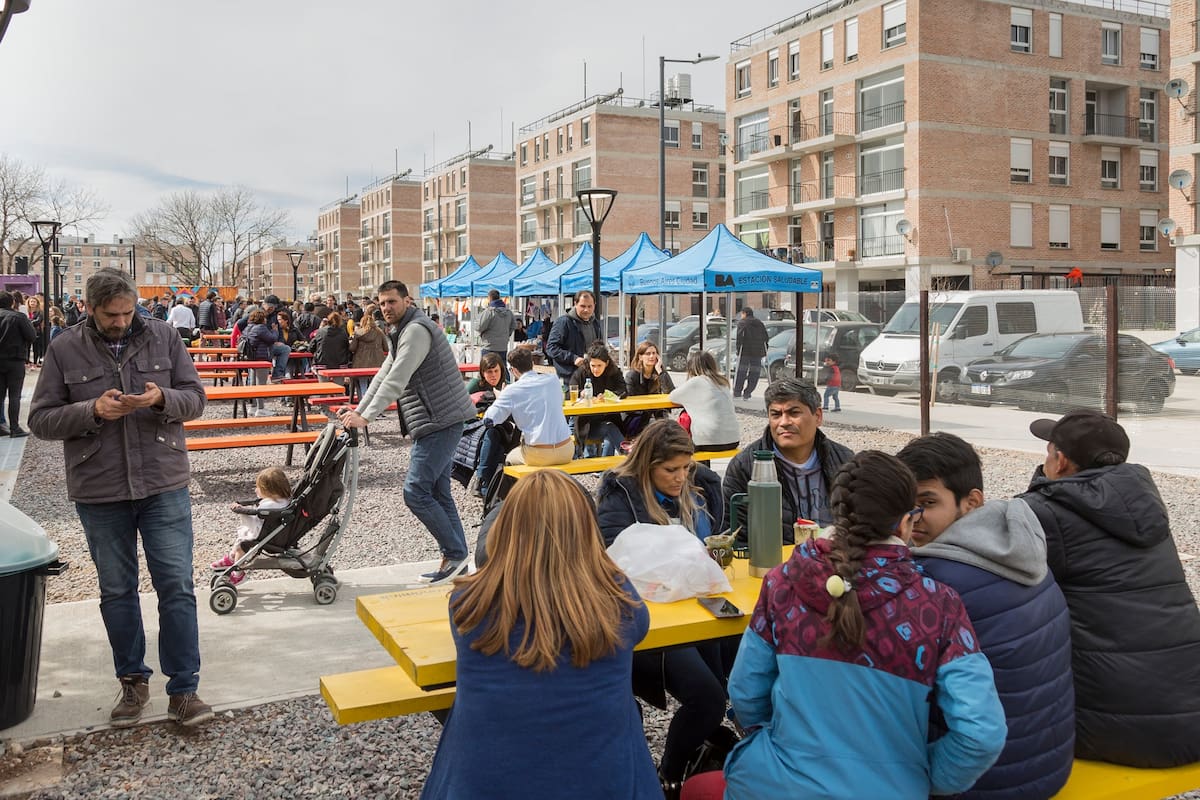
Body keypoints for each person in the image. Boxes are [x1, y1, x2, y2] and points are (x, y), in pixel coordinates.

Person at [687, 451, 1007, 800]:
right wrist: (927, 776)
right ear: (906, 522)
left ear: (835, 513)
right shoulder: (937, 605)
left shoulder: (783, 583)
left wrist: (769, 741)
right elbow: (981, 733)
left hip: (776, 784)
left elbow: (747, 690)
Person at [28, 268, 212, 728]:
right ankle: (132, 682)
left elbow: (195, 398)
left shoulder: (165, 335)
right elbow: (41, 420)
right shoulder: (63, 346)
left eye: (128, 312)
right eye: (112, 315)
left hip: (162, 482)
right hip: (101, 488)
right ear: (90, 309)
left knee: (177, 586)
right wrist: (91, 410)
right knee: (117, 590)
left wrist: (159, 399)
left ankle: (184, 689)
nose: (122, 321)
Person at [422, 470, 660, 799]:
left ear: (505, 528)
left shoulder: (468, 602)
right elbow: (637, 625)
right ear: (586, 529)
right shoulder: (619, 601)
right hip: (604, 783)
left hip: (483, 785)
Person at [897, 432, 1074, 799]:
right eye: (905, 504)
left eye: (927, 502)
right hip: (1047, 764)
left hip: (979, 781)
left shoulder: (936, 580)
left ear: (971, 502)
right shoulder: (1020, 549)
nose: (912, 519)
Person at [1019, 410, 1200, 768]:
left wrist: (1039, 486)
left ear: (1061, 460)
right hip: (1191, 720)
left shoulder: (1045, 512)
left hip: (1112, 734)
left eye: (1048, 452)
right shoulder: (1143, 505)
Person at [595, 419, 731, 795]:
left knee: (720, 687)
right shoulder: (619, 495)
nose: (681, 478)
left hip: (702, 602)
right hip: (651, 616)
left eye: (686, 467)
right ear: (646, 464)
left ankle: (691, 758)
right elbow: (613, 560)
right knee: (709, 697)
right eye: (671, 470)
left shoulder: (703, 486)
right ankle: (668, 775)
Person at [339, 280, 476, 585]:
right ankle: (457, 560)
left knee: (415, 492)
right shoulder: (400, 331)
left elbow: (397, 380)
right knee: (438, 492)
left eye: (392, 302)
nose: (386, 308)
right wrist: (359, 410)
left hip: (440, 419)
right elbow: (383, 375)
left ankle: (455, 554)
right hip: (437, 419)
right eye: (382, 303)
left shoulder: (415, 331)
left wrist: (367, 417)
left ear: (407, 301)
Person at [723, 378, 853, 541]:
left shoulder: (844, 461)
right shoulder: (746, 466)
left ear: (818, 416)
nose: (784, 422)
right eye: (776, 414)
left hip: (836, 560)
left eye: (794, 413)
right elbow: (735, 535)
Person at [482, 347, 573, 469]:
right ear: (532, 364)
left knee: (507, 459)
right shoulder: (553, 380)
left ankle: (514, 488)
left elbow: (489, 420)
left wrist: (500, 398)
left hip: (539, 453)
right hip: (566, 450)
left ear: (513, 370)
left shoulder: (511, 390)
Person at [211, 467, 292, 586]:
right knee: (243, 535)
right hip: (275, 533)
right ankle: (231, 558)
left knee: (242, 545)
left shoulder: (269, 505)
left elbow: (256, 516)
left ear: (269, 490)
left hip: (266, 535)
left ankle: (238, 574)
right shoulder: (284, 500)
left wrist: (240, 510)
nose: (255, 490)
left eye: (258, 488)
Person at [669, 350, 739, 452]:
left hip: (709, 442)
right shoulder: (723, 382)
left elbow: (672, 397)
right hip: (733, 440)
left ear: (692, 367)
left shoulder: (697, 381)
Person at [570, 340, 628, 457]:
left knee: (611, 429)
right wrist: (581, 393)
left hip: (608, 417)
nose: (596, 369)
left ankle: (610, 468)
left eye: (599, 366)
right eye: (593, 366)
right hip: (586, 424)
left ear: (606, 363)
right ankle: (629, 456)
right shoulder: (582, 372)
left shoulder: (614, 371)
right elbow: (571, 391)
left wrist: (608, 395)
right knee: (610, 429)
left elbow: (623, 390)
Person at [0, 291, 37, 437]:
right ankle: (15, 428)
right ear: (12, 302)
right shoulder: (18, 317)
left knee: (0, 395)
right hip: (15, 360)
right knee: (14, 396)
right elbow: (32, 336)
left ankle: (1, 426)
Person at [546, 291, 603, 381]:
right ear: (575, 304)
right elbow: (551, 348)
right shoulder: (564, 322)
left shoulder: (595, 323)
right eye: (583, 306)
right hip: (569, 378)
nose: (586, 310)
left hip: (590, 376)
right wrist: (573, 358)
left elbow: (600, 348)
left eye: (590, 306)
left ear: (594, 305)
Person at [349, 306, 388, 397]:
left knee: (363, 384)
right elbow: (386, 348)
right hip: (378, 362)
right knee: (376, 385)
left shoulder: (358, 333)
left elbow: (352, 348)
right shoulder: (380, 332)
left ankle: (363, 401)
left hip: (361, 363)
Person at [475, 288, 516, 374]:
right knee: (502, 370)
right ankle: (505, 386)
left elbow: (479, 327)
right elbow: (513, 326)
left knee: (487, 371)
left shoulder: (489, 312)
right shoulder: (509, 312)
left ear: (489, 298)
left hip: (489, 346)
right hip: (503, 346)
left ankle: (489, 387)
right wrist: (505, 335)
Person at [732, 308, 769, 400]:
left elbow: (739, 337)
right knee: (754, 373)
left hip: (745, 352)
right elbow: (766, 337)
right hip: (757, 352)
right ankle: (748, 392)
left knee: (741, 372)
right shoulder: (759, 323)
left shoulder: (742, 323)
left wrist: (738, 349)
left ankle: (737, 392)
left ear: (744, 313)